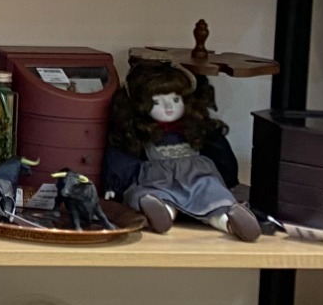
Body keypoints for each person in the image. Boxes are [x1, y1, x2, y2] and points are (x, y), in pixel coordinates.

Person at [106, 58, 259, 241]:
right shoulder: (138, 133)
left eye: (175, 99)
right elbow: (122, 160)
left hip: (198, 180)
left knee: (214, 194)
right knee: (143, 195)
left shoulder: (194, 129)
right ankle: (163, 213)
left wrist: (229, 179)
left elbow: (220, 153)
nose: (169, 107)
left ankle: (229, 220)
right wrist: (114, 186)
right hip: (157, 183)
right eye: (158, 102)